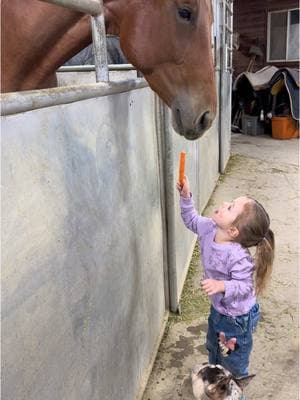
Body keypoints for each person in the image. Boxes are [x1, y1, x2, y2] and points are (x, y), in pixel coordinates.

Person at [177, 175, 275, 378]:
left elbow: (245, 286)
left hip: (237, 318)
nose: (223, 203)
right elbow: (191, 219)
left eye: (230, 207)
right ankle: (215, 376)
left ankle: (234, 388)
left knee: (234, 363)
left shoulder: (238, 256)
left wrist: (221, 285)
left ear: (233, 230)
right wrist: (186, 196)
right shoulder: (209, 228)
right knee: (214, 346)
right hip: (219, 308)